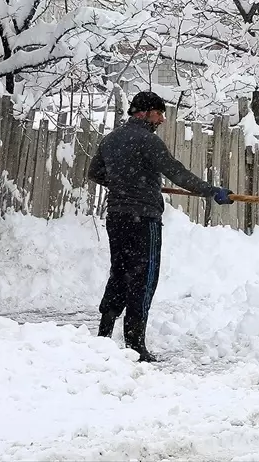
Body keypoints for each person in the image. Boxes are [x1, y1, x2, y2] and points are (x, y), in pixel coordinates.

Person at [86, 90, 233, 362]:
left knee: (119, 272)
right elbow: (177, 172)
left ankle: (103, 336)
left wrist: (124, 184)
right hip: (144, 219)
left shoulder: (111, 139)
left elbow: (94, 173)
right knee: (144, 277)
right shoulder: (148, 141)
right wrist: (211, 191)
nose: (162, 120)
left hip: (117, 216)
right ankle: (135, 345)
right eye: (159, 113)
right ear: (145, 112)